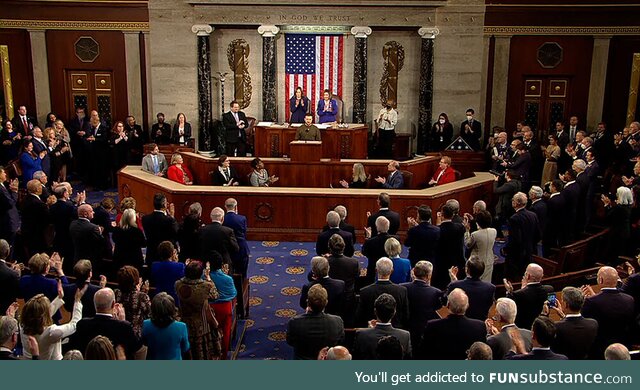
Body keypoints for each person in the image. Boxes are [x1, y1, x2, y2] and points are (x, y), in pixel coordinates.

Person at [68, 287, 142, 360]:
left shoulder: (82, 324)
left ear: (95, 304)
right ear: (113, 304)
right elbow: (136, 349)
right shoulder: (124, 327)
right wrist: (122, 322)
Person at [20, 284, 86, 359]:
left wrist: (59, 298)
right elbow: (74, 325)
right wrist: (77, 302)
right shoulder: (52, 332)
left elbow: (41, 314)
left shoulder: (22, 326)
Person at [581, 266, 635, 359]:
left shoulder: (591, 302)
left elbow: (585, 325)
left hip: (599, 351)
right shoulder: (629, 299)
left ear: (600, 280)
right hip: (624, 348)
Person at [418, 288, 486, 359]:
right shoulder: (479, 327)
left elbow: (423, 353)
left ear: (448, 304)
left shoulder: (432, 326)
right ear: (467, 306)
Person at [175, 261, 220, 360]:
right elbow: (215, 296)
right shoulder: (206, 286)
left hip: (185, 325)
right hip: (202, 327)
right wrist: (208, 278)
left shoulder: (178, 284)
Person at [286, 284, 344, 360]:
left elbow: (290, 341)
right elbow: (340, 341)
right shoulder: (337, 322)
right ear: (326, 302)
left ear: (307, 302)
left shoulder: (294, 322)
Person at [353, 293, 411, 360]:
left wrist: (369, 331)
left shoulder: (361, 335)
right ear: (394, 312)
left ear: (375, 311)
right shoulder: (405, 336)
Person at [355, 258, 409, 330]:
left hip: (372, 331)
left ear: (376, 270)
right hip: (396, 331)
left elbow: (359, 316)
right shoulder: (401, 291)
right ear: (392, 271)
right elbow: (406, 316)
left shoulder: (365, 291)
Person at [548, 286, 598, 360]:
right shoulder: (593, 323)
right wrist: (563, 316)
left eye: (562, 300)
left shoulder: (557, 327)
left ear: (565, 304)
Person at [206, 251, 237, 359]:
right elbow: (233, 293)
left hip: (209, 308)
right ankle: (223, 355)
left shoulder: (204, 277)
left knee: (210, 331)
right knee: (225, 331)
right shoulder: (227, 278)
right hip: (224, 307)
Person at [505, 263, 553, 330]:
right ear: (542, 276)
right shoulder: (549, 289)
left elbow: (507, 309)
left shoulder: (518, 294)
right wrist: (524, 289)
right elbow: (552, 305)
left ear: (528, 276)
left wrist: (509, 292)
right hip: (542, 327)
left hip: (523, 330)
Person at [142, 292, 190, 360]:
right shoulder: (181, 327)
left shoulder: (146, 324)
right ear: (172, 308)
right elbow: (185, 348)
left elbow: (145, 343)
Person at [503, 192, 539, 279]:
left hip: (517, 256)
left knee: (515, 277)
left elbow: (515, 239)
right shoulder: (533, 215)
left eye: (513, 200)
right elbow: (538, 234)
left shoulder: (514, 218)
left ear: (516, 203)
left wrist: (506, 249)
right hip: (530, 252)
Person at [447, 256, 496, 321]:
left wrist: (454, 282)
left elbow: (446, 304)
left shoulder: (454, 285)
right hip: (480, 326)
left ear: (466, 270)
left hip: (459, 325)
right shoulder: (490, 288)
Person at [198, 207, 239, 271]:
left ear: (211, 217)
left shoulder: (202, 229)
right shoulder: (228, 231)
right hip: (224, 265)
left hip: (206, 263)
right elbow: (235, 248)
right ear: (222, 218)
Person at [114, 266, 150, 339]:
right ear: (134, 281)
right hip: (136, 337)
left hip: (117, 333)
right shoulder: (142, 297)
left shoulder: (115, 293)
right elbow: (150, 315)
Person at [141, 193, 178, 263]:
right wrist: (172, 217)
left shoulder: (145, 219)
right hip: (167, 257)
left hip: (151, 256)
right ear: (164, 205)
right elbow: (176, 234)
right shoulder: (169, 220)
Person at [362, 216, 399, 285]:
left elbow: (364, 252)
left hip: (373, 271)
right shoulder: (396, 239)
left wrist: (368, 237)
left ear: (377, 227)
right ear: (388, 227)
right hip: (391, 270)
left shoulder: (370, 242)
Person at [463, 210, 497, 282]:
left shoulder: (475, 235)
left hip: (477, 263)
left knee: (475, 283)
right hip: (489, 261)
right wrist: (473, 220)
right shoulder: (494, 231)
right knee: (487, 282)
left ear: (478, 222)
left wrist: (466, 230)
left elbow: (467, 244)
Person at [602, 186, 633, 263]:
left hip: (617, 234)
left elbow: (608, 219)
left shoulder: (619, 208)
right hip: (625, 232)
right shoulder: (629, 206)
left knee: (613, 254)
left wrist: (606, 205)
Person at [222, 198, 251, 278]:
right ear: (236, 207)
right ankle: (242, 288)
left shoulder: (222, 219)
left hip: (227, 250)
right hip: (241, 249)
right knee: (242, 273)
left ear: (225, 206)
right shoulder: (242, 218)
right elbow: (244, 234)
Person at [0, 168, 20, 247]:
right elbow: (10, 203)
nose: (5, 174)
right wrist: (14, 191)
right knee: (8, 247)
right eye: (3, 172)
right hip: (6, 222)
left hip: (6, 221)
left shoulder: (2, 187)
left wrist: (10, 190)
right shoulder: (1, 189)